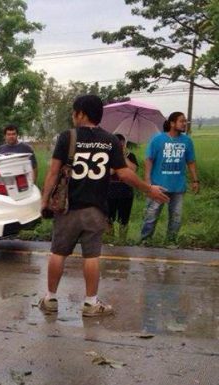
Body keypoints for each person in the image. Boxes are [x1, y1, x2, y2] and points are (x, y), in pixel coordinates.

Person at [39, 95, 168, 317]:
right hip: (96, 209)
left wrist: (44, 201)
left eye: (74, 112)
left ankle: (50, 299)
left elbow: (53, 173)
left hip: (68, 208)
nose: (73, 116)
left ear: (81, 113)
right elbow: (125, 173)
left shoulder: (67, 137)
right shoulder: (110, 140)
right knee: (91, 257)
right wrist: (149, 189)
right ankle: (90, 304)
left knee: (58, 253)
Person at [140, 112, 199, 243]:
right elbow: (149, 159)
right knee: (151, 214)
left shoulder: (187, 141)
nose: (184, 124)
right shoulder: (158, 139)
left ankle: (171, 241)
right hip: (158, 185)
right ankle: (145, 241)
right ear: (172, 123)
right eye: (181, 121)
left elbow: (191, 162)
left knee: (176, 217)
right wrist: (147, 180)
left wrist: (195, 180)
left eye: (185, 121)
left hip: (178, 186)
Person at [106, 134, 138, 242]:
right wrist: (118, 162)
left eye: (122, 143)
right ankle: (110, 239)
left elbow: (133, 170)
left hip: (126, 190)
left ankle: (122, 240)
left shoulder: (130, 156)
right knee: (108, 218)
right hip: (110, 190)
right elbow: (109, 172)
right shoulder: (107, 156)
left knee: (124, 219)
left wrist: (123, 157)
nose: (120, 145)